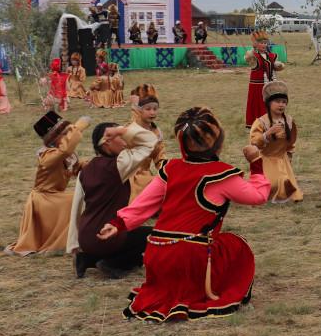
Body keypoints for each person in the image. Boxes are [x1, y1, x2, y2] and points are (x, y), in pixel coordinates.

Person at [96, 106, 271, 322]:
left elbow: (143, 205)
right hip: (189, 259)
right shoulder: (222, 175)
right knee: (235, 245)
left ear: (181, 141)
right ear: (218, 141)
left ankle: (167, 285)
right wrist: (256, 164)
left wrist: (118, 223)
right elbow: (258, 196)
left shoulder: (170, 169)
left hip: (156, 257)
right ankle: (199, 287)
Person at [67, 122, 157, 278]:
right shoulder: (119, 165)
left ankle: (86, 259)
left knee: (129, 234)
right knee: (153, 235)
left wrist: (74, 244)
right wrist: (124, 129)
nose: (125, 142)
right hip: (109, 236)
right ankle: (113, 264)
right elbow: (150, 141)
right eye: (120, 138)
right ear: (107, 143)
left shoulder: (86, 170)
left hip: (86, 238)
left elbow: (77, 209)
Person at [6, 112, 91, 255]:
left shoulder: (63, 153)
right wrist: (77, 128)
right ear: (54, 137)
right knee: (74, 200)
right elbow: (65, 150)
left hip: (55, 196)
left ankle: (79, 237)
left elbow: (72, 168)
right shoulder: (47, 156)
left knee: (82, 197)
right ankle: (73, 241)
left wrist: (89, 165)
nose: (67, 136)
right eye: (64, 133)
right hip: (43, 199)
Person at [250, 81, 303, 202]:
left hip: (282, 160)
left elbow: (291, 141)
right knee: (273, 185)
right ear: (269, 103)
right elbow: (254, 142)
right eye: (277, 101)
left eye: (284, 102)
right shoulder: (261, 122)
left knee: (289, 186)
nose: (281, 105)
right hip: (266, 159)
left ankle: (285, 185)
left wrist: (289, 155)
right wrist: (267, 134)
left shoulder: (289, 120)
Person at [126, 84, 167, 202]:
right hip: (128, 176)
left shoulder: (156, 132)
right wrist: (134, 108)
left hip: (145, 175)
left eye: (155, 109)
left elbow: (160, 156)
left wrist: (166, 171)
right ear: (139, 110)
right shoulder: (130, 129)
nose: (152, 112)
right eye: (148, 109)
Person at [244, 30, 285, 128]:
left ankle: (271, 121)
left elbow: (272, 65)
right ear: (256, 44)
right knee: (258, 104)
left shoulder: (269, 55)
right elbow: (247, 59)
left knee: (270, 103)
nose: (264, 45)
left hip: (270, 84)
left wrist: (277, 65)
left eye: (265, 43)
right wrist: (250, 54)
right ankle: (257, 123)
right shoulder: (254, 56)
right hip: (257, 86)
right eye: (261, 43)